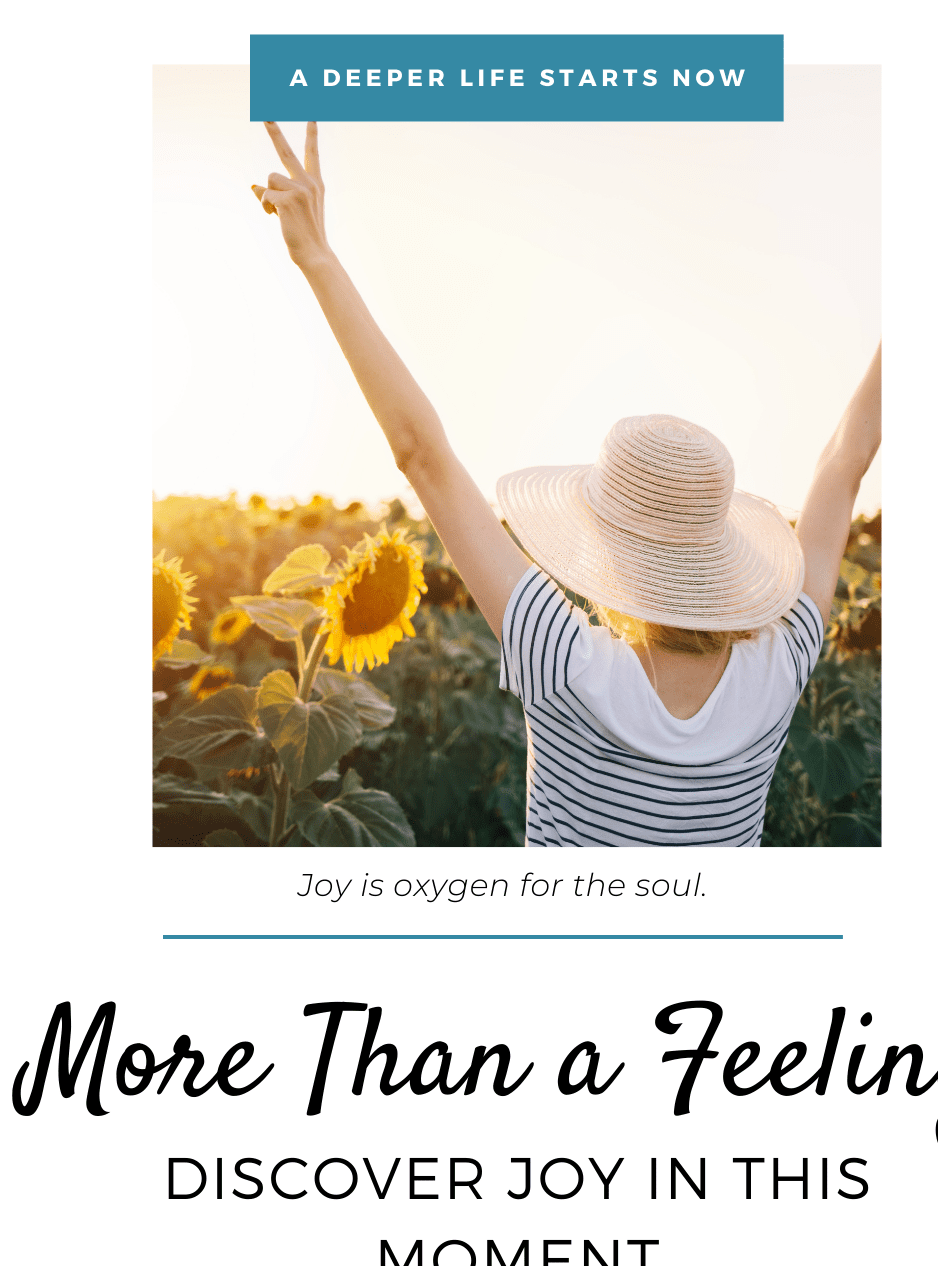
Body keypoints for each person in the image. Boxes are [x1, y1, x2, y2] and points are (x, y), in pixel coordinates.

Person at [253, 122, 881, 848]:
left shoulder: (565, 662)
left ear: (606, 550)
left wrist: (319, 258)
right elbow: (845, 461)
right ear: (720, 554)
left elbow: (420, 451)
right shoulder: (782, 664)